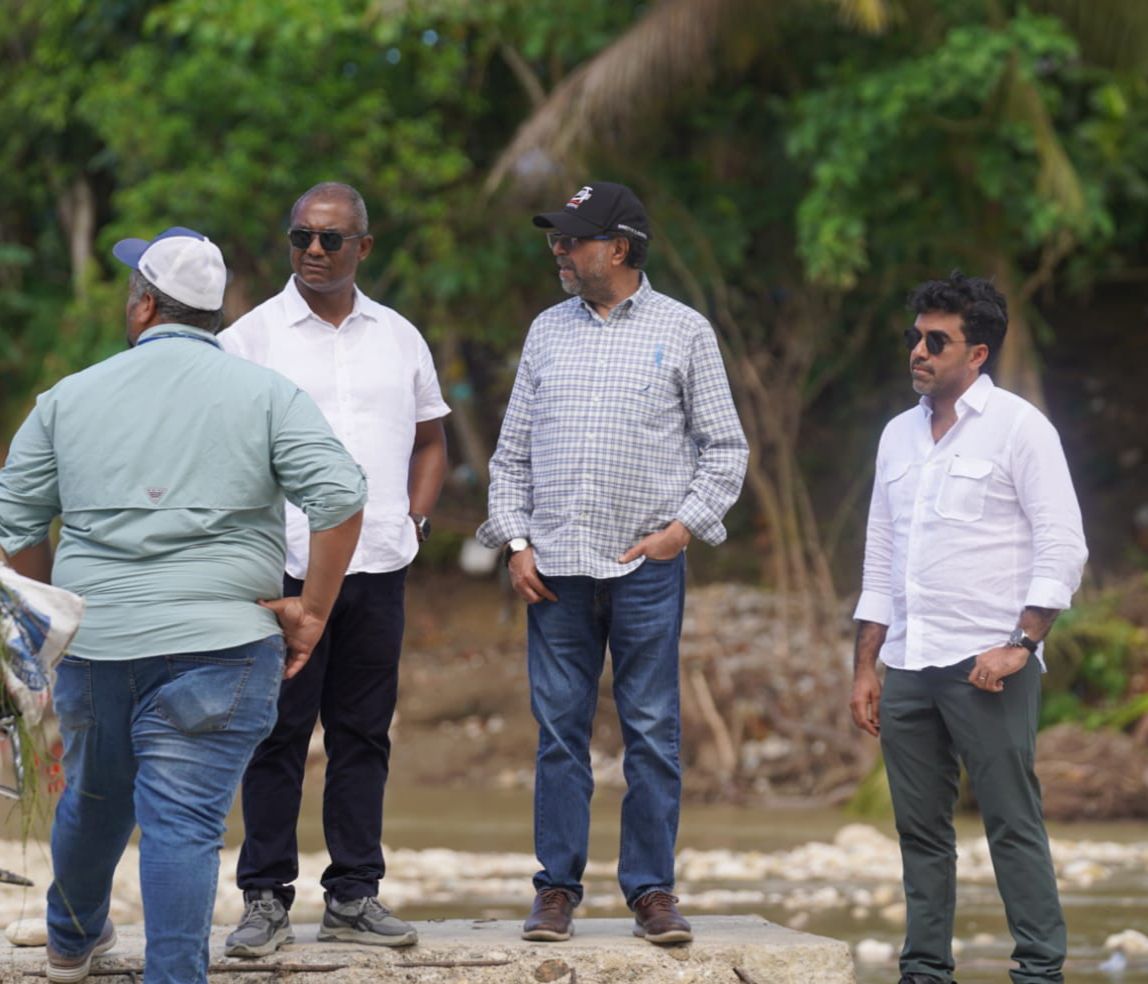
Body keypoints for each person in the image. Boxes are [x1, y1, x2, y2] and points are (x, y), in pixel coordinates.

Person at [0, 227, 367, 984]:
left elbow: (12, 521)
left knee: (96, 800)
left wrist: (40, 622)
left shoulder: (68, 399)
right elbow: (340, 499)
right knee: (184, 821)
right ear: (213, 312)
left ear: (142, 307)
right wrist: (313, 611)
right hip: (224, 646)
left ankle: (70, 943)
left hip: (99, 643)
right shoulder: (268, 395)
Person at [477, 181, 748, 945]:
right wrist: (517, 542)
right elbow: (510, 456)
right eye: (556, 238)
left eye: (572, 239)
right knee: (559, 732)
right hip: (554, 568)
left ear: (619, 248)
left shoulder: (685, 330)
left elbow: (725, 450)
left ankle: (651, 893)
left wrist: (681, 531)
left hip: (646, 568)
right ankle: (556, 891)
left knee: (653, 729)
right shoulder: (545, 332)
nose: (557, 250)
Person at [220, 182, 449, 956]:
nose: (314, 251)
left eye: (331, 239)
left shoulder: (399, 338)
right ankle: (264, 900)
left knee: (362, 735)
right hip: (282, 572)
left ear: (363, 247)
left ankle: (354, 895)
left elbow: (430, 441)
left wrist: (413, 519)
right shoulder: (250, 340)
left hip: (380, 567)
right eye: (300, 238)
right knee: (275, 735)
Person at [849, 271, 1088, 984]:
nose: (917, 351)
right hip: (909, 664)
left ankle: (1040, 973)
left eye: (936, 340)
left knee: (1013, 825)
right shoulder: (897, 436)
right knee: (920, 833)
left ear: (976, 353)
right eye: (913, 337)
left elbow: (1063, 544)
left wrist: (1022, 645)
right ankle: (924, 972)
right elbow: (880, 556)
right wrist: (866, 666)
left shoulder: (1020, 428)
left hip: (987, 667)